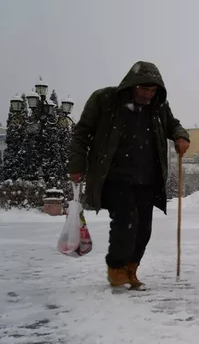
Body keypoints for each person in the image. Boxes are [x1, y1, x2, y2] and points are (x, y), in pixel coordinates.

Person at [68, 61, 190, 289]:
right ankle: (116, 268)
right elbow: (81, 133)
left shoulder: (159, 106)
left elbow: (173, 124)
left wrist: (181, 136)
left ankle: (131, 269)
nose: (148, 95)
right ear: (132, 85)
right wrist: (77, 165)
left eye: (153, 91)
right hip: (114, 176)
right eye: (144, 89)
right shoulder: (104, 100)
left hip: (147, 178)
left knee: (144, 228)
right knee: (126, 221)